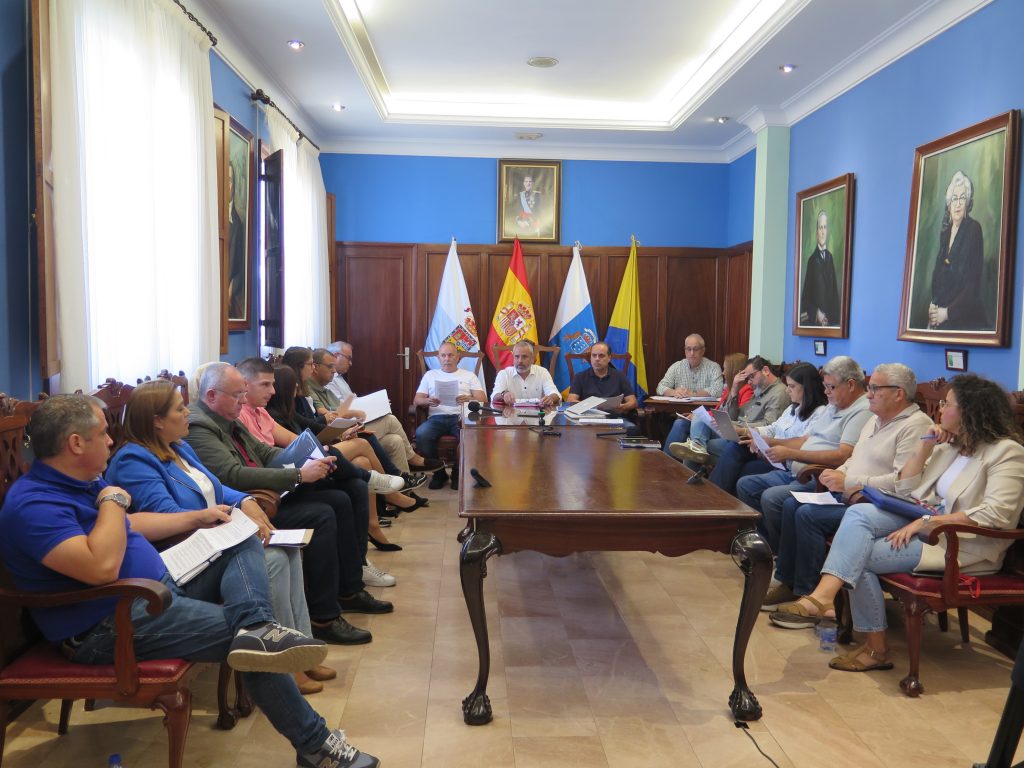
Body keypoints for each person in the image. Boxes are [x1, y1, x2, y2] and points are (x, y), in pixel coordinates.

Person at [0, 394, 378, 768]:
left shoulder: (78, 481)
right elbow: (100, 567)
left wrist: (200, 518)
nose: (111, 441)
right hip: (108, 626)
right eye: (102, 434)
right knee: (248, 646)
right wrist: (113, 498)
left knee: (243, 534)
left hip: (153, 590)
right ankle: (316, 746)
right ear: (76, 443)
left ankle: (257, 623)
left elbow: (128, 526)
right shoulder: (34, 504)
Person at [770, 374, 1024, 673]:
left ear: (971, 410)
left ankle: (872, 645)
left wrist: (928, 521)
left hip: (964, 544)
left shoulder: (1007, 452)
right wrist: (926, 446)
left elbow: (997, 514)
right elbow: (907, 489)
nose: (940, 409)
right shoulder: (952, 445)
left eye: (947, 403)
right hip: (927, 525)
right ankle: (826, 597)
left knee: (859, 555)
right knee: (858, 515)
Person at [105, 380, 334, 695]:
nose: (188, 412)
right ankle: (280, 660)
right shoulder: (134, 460)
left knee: (288, 550)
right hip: (182, 552)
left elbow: (216, 486)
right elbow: (168, 515)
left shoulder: (179, 447)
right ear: (156, 420)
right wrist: (225, 524)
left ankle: (300, 646)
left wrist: (246, 500)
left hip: (215, 537)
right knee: (275, 560)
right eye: (179, 408)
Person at [184, 363, 399, 645]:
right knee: (322, 514)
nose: (242, 400)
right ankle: (324, 617)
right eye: (237, 394)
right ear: (211, 395)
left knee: (342, 496)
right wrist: (297, 473)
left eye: (243, 393)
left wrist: (305, 457)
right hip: (250, 505)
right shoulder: (200, 426)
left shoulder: (226, 415)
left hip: (266, 493)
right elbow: (231, 475)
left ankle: (349, 589)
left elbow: (261, 450)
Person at [762, 363, 933, 614]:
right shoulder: (875, 419)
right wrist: (839, 472)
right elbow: (853, 458)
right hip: (851, 495)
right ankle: (789, 580)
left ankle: (808, 592)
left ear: (899, 393)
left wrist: (851, 482)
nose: (869, 393)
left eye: (875, 388)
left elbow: (902, 483)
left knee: (808, 515)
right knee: (791, 504)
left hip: (877, 505)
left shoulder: (915, 425)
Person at [237, 359, 417, 577]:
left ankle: (359, 564)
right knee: (358, 453)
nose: (272, 391)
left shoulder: (261, 411)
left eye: (273, 385)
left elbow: (295, 442)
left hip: (291, 467)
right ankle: (380, 487)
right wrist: (316, 451)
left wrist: (318, 448)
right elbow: (261, 461)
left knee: (355, 482)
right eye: (265, 385)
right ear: (245, 385)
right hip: (279, 482)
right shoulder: (243, 415)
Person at [731, 355, 872, 557]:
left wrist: (789, 453)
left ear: (850, 385)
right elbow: (806, 438)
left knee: (772, 497)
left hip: (817, 476)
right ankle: (766, 547)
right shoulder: (833, 406)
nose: (826, 392)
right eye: (825, 386)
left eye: (831, 387)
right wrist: (772, 443)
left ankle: (779, 554)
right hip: (797, 469)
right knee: (746, 483)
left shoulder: (861, 411)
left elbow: (843, 455)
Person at [707, 362, 828, 494]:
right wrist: (748, 433)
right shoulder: (792, 408)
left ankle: (715, 496)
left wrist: (766, 441)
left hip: (786, 463)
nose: (787, 390)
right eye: (788, 386)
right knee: (737, 450)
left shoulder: (820, 414)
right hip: (770, 455)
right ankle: (716, 497)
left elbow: (804, 443)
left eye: (792, 386)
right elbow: (772, 428)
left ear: (807, 388)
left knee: (741, 468)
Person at [325, 340, 444, 475]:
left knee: (396, 440)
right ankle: (413, 459)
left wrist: (376, 403)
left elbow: (352, 402)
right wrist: (371, 405)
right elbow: (342, 409)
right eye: (349, 358)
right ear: (335, 355)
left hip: (357, 423)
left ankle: (405, 488)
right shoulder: (329, 381)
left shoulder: (338, 379)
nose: (351, 363)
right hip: (347, 430)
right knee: (390, 420)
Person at [670, 355, 789, 467]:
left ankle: (695, 455)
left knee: (692, 451)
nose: (748, 382)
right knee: (699, 416)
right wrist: (734, 392)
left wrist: (738, 428)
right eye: (747, 378)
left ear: (766, 371)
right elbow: (733, 415)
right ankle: (697, 445)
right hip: (732, 430)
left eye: (751, 377)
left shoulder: (779, 393)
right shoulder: (760, 390)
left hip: (744, 438)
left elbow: (769, 426)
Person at [413, 341, 485, 490]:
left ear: (458, 357)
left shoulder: (468, 375)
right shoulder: (430, 375)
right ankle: (439, 473)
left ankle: (457, 474)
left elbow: (483, 399)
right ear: (439, 358)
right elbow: (417, 400)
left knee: (470, 436)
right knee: (421, 434)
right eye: (443, 355)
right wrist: (428, 401)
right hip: (436, 417)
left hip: (460, 417)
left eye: (450, 355)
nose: (447, 358)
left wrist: (469, 398)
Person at [926, 170, 988, 331]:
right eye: (954, 198)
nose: (958, 203)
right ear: (949, 204)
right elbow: (939, 275)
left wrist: (947, 313)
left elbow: (972, 285)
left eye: (962, 198)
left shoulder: (973, 229)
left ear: (967, 203)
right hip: (941, 313)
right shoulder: (945, 233)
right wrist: (933, 304)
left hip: (963, 316)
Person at [662, 352, 749, 460]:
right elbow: (718, 411)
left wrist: (734, 392)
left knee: (695, 428)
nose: (723, 373)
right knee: (680, 423)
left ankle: (696, 446)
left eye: (725, 369)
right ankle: (666, 460)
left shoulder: (747, 390)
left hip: (728, 429)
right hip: (718, 425)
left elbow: (733, 417)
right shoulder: (728, 389)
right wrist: (699, 415)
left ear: (734, 371)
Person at [799, 211, 840, 327]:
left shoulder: (830, 258)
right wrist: (817, 313)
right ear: (817, 232)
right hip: (816, 324)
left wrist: (830, 318)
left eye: (825, 228)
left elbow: (834, 294)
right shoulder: (812, 261)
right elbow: (805, 300)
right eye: (820, 228)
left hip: (830, 324)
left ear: (827, 231)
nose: (822, 232)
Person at [490, 340, 560, 408]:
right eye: (517, 357)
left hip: (537, 417)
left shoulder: (542, 372)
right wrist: (503, 394)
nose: (520, 361)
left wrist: (550, 398)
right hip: (511, 416)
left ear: (533, 358)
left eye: (524, 357)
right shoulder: (504, 374)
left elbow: (555, 394)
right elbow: (494, 396)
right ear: (513, 358)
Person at [655, 334, 724, 398]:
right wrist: (674, 392)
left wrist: (694, 394)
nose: (692, 353)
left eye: (695, 349)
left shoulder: (713, 367)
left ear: (703, 350)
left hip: (705, 409)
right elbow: (660, 387)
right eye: (688, 349)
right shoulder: (676, 367)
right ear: (685, 350)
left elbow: (718, 390)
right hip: (680, 409)